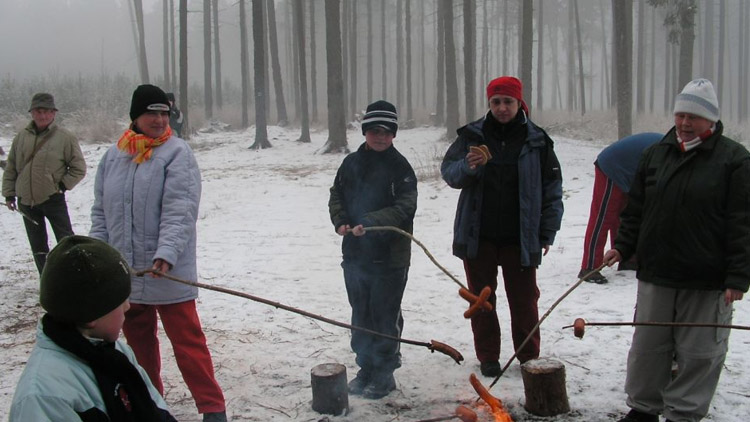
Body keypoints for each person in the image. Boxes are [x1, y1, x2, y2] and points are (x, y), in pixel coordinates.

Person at [603, 78, 749, 422]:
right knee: (648, 348)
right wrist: (623, 246)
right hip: (657, 271)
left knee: (699, 352)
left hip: (707, 278)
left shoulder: (735, 161)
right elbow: (636, 209)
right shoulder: (656, 155)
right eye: (680, 115)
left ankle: (683, 413)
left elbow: (743, 222)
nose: (684, 124)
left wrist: (738, 276)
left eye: (693, 117)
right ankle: (642, 408)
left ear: (711, 120)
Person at [90, 84, 227, 422]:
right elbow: (100, 212)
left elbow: (180, 209)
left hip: (167, 269)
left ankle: (212, 407)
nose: (159, 119)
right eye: (151, 112)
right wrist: (100, 254)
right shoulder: (113, 156)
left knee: (188, 342)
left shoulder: (177, 153)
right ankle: (149, 402)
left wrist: (165, 252)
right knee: (138, 346)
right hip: (127, 272)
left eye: (164, 112)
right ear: (135, 116)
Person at [441, 76, 564, 377]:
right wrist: (468, 166)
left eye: (507, 101)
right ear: (490, 104)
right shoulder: (472, 135)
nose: (501, 108)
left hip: (519, 238)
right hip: (478, 235)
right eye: (496, 102)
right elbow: (450, 173)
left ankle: (528, 357)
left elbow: (552, 189)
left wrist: (547, 231)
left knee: (524, 301)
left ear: (519, 103)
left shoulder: (537, 140)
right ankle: (488, 357)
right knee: (482, 301)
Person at [9, 235, 176, 421]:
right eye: (120, 302)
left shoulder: (114, 351)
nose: (128, 307)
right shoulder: (43, 397)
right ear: (92, 316)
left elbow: (156, 411)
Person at [328, 100, 418, 399]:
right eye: (375, 131)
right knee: (361, 313)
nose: (380, 137)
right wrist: (340, 220)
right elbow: (336, 194)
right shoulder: (351, 163)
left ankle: (384, 371)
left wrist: (371, 222)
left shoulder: (400, 167)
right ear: (365, 131)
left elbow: (405, 207)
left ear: (393, 135)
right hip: (356, 256)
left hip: (390, 257)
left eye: (386, 132)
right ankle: (365, 366)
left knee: (385, 313)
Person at [2, 93, 86, 274]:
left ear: (54, 114)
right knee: (38, 247)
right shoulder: (21, 137)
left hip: (53, 199)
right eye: (39, 111)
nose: (43, 116)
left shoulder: (65, 137)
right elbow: (11, 167)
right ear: (32, 113)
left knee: (67, 242)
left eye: (47, 112)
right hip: (26, 202)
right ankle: (47, 280)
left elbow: (79, 168)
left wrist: (61, 187)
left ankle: (74, 277)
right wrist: (9, 194)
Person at [579, 132, 662, 284]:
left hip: (630, 170)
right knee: (603, 217)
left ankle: (628, 258)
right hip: (613, 165)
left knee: (627, 215)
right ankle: (589, 267)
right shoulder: (669, 152)